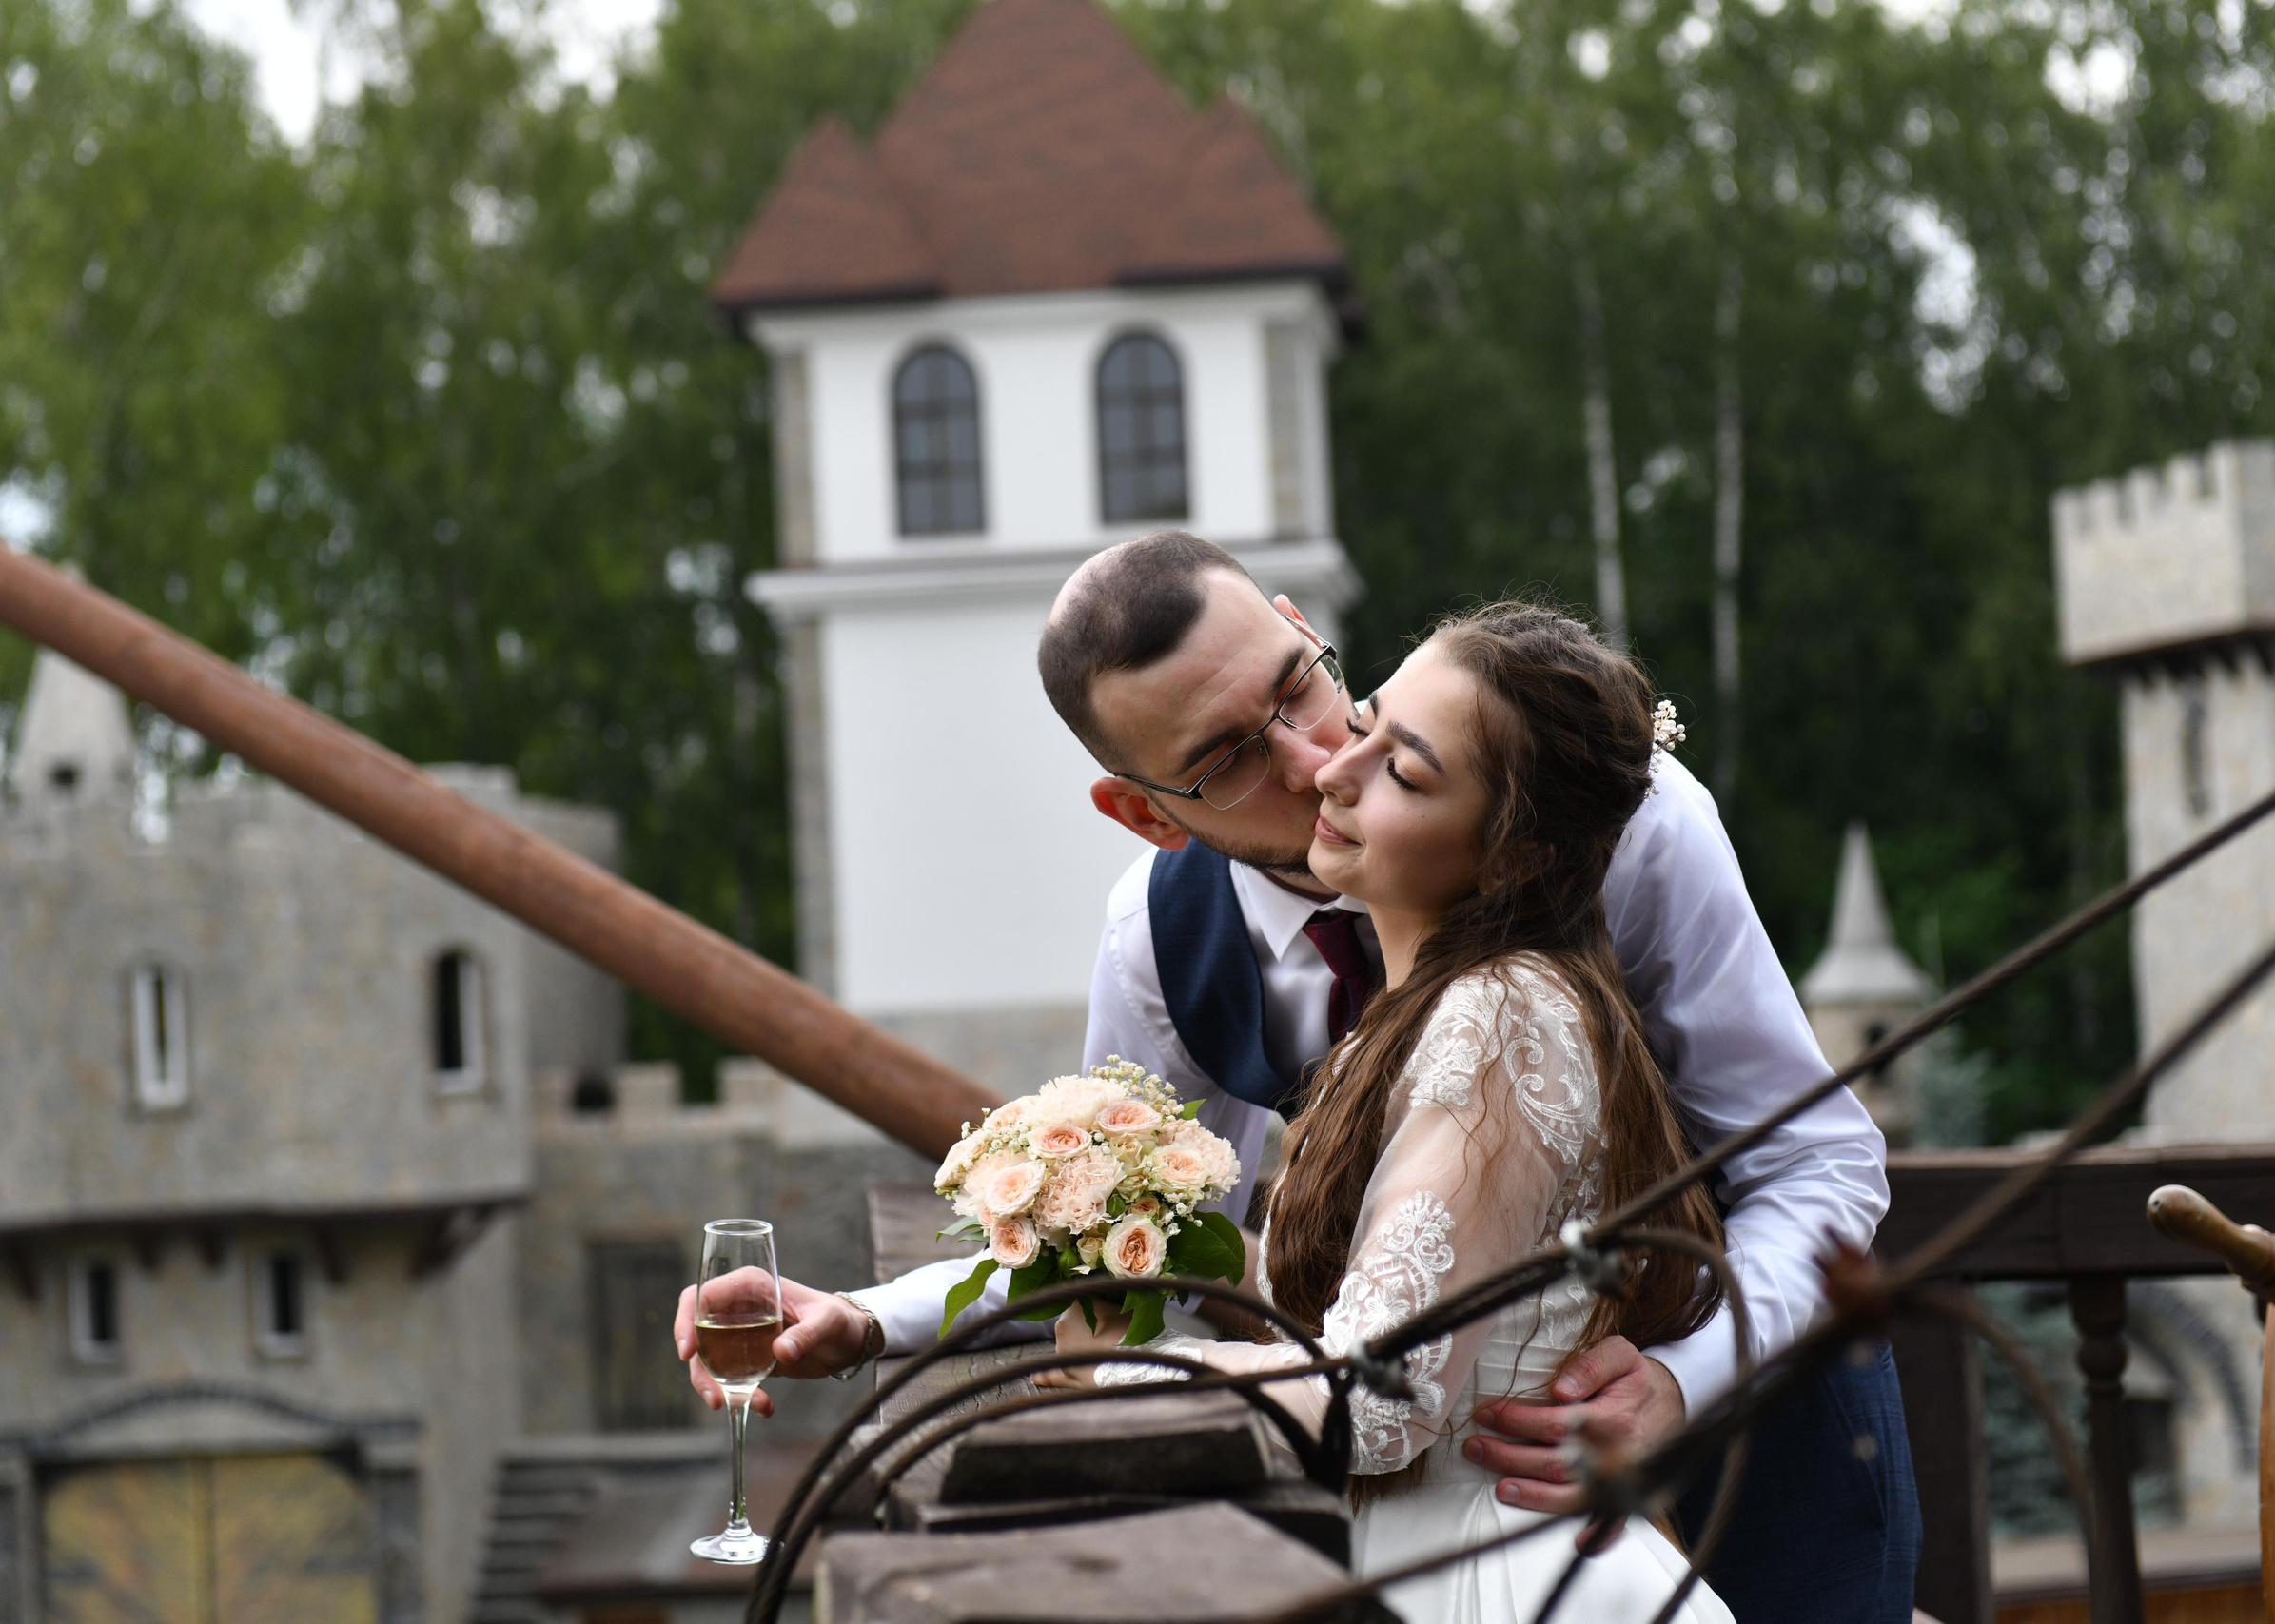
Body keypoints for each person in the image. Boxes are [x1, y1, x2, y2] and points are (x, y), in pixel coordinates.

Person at [677, 534, 1916, 1622]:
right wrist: (869, 1318)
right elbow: (1135, 1232)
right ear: (1145, 811)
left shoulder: (1617, 820)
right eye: (1228, 755)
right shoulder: (1159, 940)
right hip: (1439, 1542)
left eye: (1304, 687)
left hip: (1756, 1451)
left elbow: (1818, 1156)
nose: (1317, 752)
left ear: (1304, 626)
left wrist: (1679, 1380)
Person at [1037, 600, 1732, 1621]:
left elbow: (1380, 1405)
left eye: (1402, 773)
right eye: (1363, 722)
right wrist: (887, 1321)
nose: (1328, 770)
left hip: (1502, 1576)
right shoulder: (1409, 1021)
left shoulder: (1496, 1022)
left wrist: (1120, 1381)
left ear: (1520, 855)